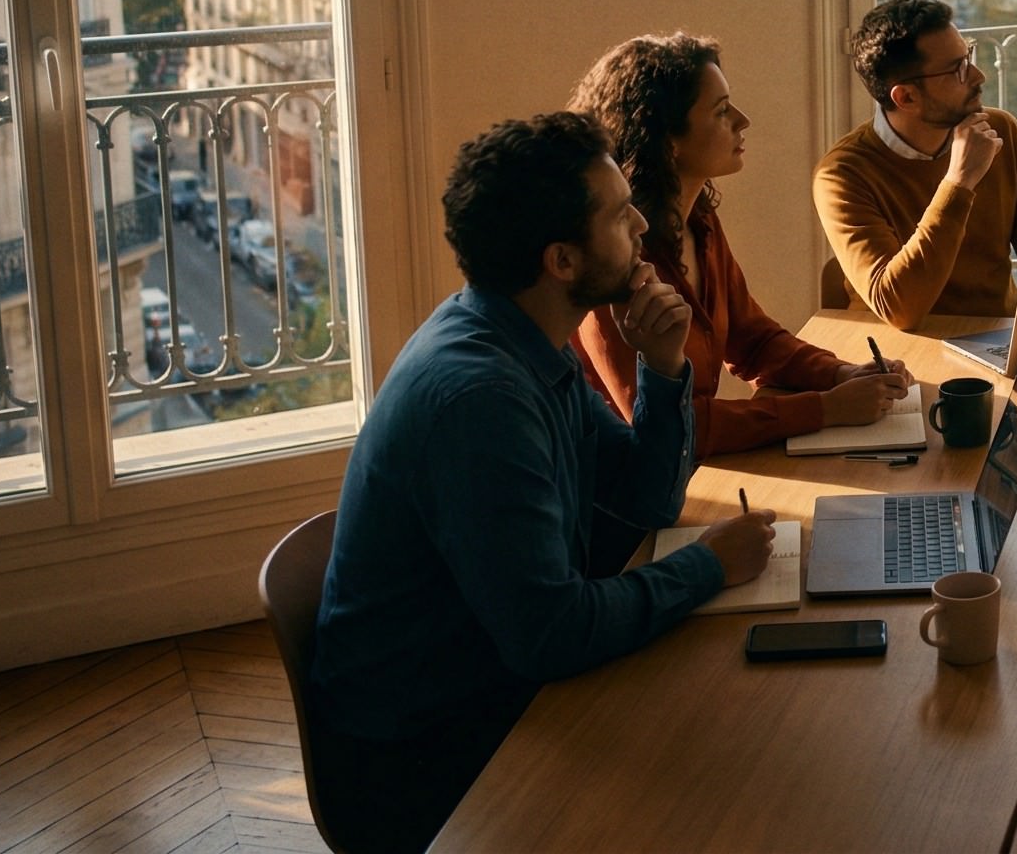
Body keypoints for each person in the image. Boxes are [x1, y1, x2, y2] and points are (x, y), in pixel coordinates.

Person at [307, 113, 776, 854]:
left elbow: (646, 500)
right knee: (730, 773)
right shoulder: (482, 398)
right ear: (561, 260)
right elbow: (552, 636)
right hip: (422, 759)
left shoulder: (520, 338)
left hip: (489, 683)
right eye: (620, 215)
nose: (643, 224)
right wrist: (709, 564)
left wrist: (663, 368)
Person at [567, 32, 913, 454]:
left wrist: (840, 373)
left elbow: (753, 340)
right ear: (667, 141)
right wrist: (825, 408)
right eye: (721, 110)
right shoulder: (613, 261)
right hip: (629, 483)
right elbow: (666, 426)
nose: (742, 120)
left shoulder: (699, 220)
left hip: (691, 467)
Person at [815, 0, 1017, 328]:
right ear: (906, 97)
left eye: (969, 57)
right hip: (900, 349)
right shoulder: (841, 174)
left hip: (997, 340)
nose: (978, 76)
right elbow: (899, 309)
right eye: (957, 69)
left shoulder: (1000, 131)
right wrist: (958, 183)